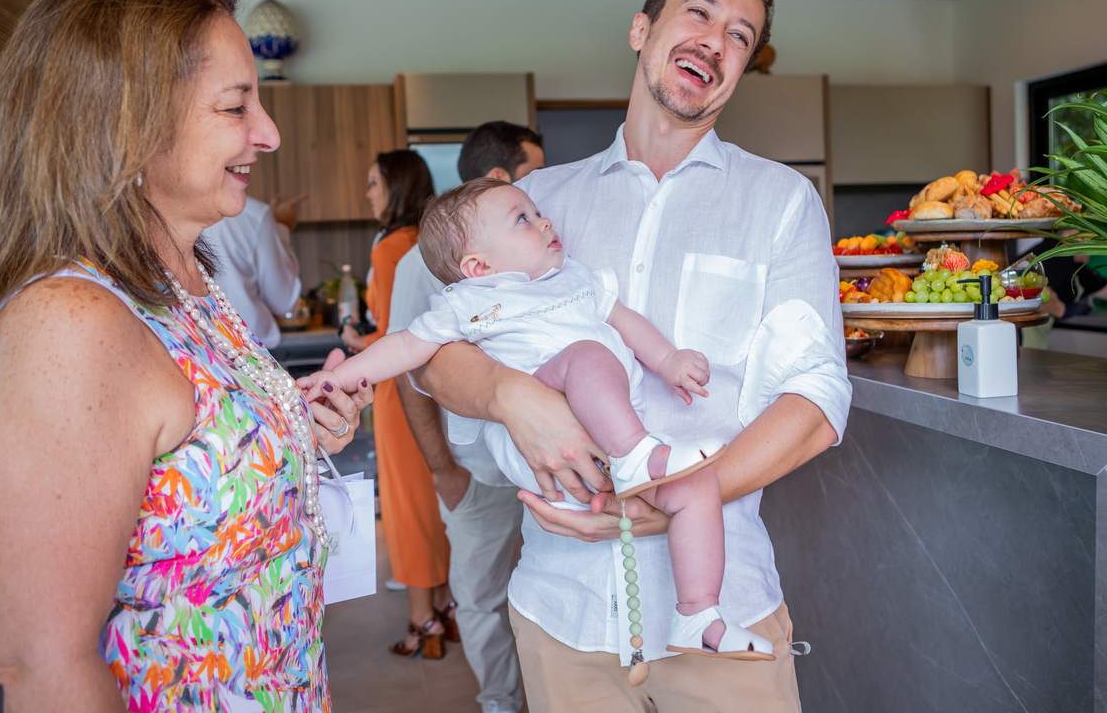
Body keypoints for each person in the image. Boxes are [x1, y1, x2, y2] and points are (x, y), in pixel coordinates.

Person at [414, 0, 851, 712]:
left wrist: (663, 505)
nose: (716, 41)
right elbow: (436, 356)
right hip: (560, 613)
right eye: (699, 13)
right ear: (642, 29)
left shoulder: (781, 201)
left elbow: (816, 403)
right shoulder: (534, 203)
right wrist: (510, 395)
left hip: (723, 610)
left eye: (741, 36)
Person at [0, 0, 370, 712]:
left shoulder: (184, 281)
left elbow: (180, 467)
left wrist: (292, 431)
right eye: (235, 106)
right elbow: (40, 663)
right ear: (127, 123)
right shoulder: (69, 325)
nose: (269, 133)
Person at [305, 177, 773, 652]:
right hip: (541, 434)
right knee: (587, 353)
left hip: (608, 434)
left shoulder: (573, 278)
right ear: (479, 266)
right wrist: (336, 379)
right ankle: (639, 457)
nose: (545, 221)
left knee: (698, 488)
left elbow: (623, 319)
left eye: (537, 213)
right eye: (523, 219)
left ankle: (698, 614)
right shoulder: (468, 302)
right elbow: (406, 347)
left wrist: (668, 360)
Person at [384, 121, 542, 713]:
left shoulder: (540, 246)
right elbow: (409, 373)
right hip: (477, 471)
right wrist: (443, 470)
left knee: (546, 593)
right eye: (534, 172)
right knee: (479, 595)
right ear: (500, 175)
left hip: (549, 464)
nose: (543, 187)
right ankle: (500, 702)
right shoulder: (420, 264)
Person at [339, 150, 454, 658]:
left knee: (407, 504)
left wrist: (355, 341)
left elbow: (394, 336)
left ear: (396, 187)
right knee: (432, 495)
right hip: (435, 387)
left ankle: (421, 618)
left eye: (373, 183)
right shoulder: (431, 240)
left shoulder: (389, 248)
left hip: (396, 389)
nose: (368, 194)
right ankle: (445, 605)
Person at [202, 192, 308, 349]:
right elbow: (283, 301)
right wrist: (279, 228)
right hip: (252, 350)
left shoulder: (172, 212)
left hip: (196, 348)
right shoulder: (254, 215)